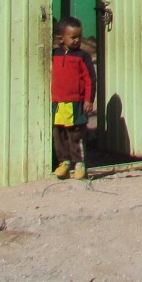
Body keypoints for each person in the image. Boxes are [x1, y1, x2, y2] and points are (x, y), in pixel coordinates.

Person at [51, 17, 96, 180]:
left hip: (76, 103)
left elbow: (90, 79)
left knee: (75, 134)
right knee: (59, 133)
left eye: (79, 36)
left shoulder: (82, 57)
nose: (77, 40)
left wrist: (88, 100)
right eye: (73, 37)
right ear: (60, 38)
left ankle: (80, 164)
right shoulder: (54, 55)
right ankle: (64, 162)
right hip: (58, 102)